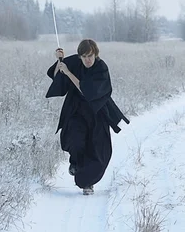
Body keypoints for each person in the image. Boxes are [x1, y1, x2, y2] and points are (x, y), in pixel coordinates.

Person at [46, 39, 129, 195]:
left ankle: (87, 182)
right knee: (75, 139)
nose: (87, 60)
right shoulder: (75, 62)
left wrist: (69, 73)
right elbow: (57, 77)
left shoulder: (101, 68)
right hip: (76, 110)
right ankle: (75, 163)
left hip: (97, 112)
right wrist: (59, 62)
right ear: (80, 56)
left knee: (98, 150)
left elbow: (87, 91)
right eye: (84, 56)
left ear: (95, 54)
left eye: (90, 55)